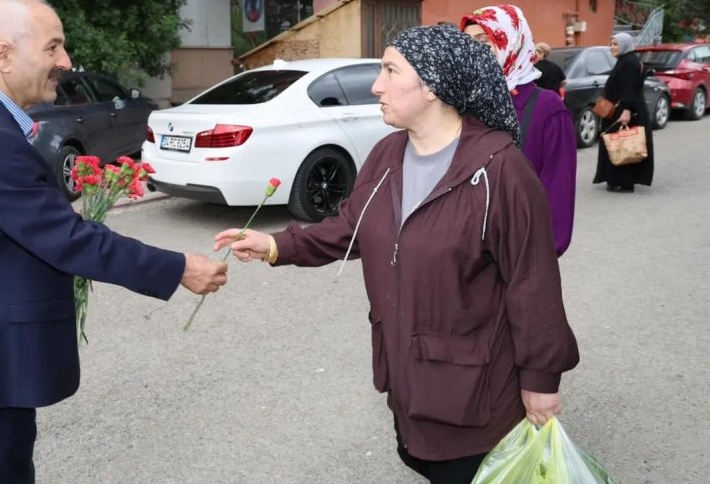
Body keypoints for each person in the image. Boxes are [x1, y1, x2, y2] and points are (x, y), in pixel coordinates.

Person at [215, 24, 579, 484]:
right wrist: (274, 245)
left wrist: (541, 381)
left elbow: (534, 285)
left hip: (477, 397)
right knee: (420, 462)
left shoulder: (500, 170)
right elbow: (351, 224)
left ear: (433, 86)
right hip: (411, 379)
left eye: (390, 70)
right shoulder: (387, 154)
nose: (376, 85)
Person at [0, 0, 228, 483]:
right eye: (53, 48)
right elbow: (68, 240)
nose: (65, 62)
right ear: (5, 56)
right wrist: (179, 267)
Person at [459, 5, 577, 257]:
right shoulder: (463, 102)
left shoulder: (547, 107)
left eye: (484, 41)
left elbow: (557, 186)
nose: (474, 51)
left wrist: (540, 253)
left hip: (519, 251)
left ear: (511, 43)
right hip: (465, 252)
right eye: (467, 43)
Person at [593, 32, 655, 193]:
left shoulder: (628, 63)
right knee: (617, 143)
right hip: (621, 109)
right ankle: (616, 179)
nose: (612, 47)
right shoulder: (625, 60)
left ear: (625, 45)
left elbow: (629, 89)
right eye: (611, 44)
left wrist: (626, 111)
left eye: (615, 44)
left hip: (625, 111)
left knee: (623, 144)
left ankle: (624, 181)